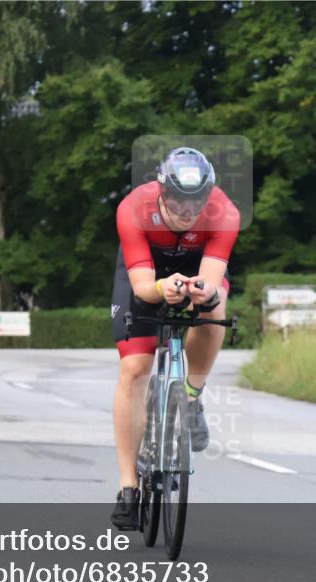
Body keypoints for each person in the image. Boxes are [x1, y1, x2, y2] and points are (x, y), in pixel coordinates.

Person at [109, 147, 240, 530]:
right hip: (147, 272)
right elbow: (142, 287)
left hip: (196, 266)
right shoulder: (133, 208)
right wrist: (162, 287)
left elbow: (212, 283)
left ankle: (192, 396)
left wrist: (206, 293)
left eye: (196, 201)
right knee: (135, 368)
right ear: (162, 191)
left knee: (216, 307)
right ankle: (128, 487)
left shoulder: (225, 212)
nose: (187, 210)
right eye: (178, 200)